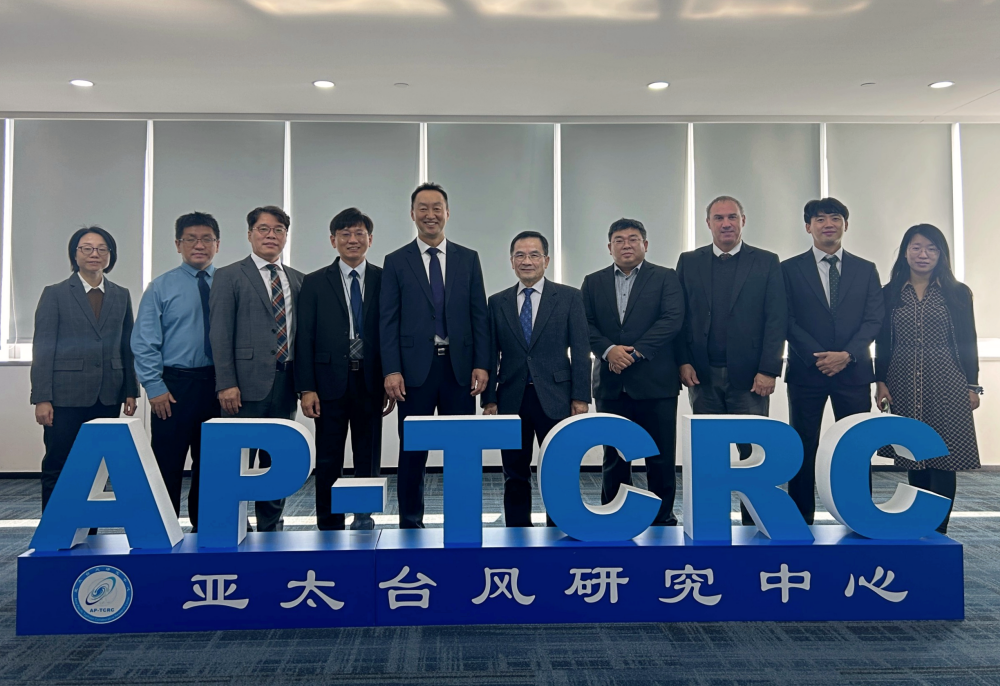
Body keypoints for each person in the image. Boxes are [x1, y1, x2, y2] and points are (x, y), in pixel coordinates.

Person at [380, 182, 490, 529]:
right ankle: (410, 522)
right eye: (423, 208)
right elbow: (388, 320)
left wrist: (482, 364)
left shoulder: (468, 258)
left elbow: (479, 316)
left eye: (437, 207)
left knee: (463, 450)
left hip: (458, 370)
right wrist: (391, 369)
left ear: (447, 212)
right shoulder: (396, 261)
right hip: (413, 373)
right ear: (412, 214)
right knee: (412, 452)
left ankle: (463, 520)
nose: (431, 214)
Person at [675, 196, 787, 525]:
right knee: (709, 454)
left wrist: (769, 369)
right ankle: (711, 520)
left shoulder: (766, 261)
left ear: (743, 221)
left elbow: (776, 319)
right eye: (719, 217)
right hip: (702, 375)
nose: (726, 223)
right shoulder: (689, 261)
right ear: (708, 223)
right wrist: (683, 361)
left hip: (750, 376)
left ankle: (755, 521)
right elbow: (679, 317)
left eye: (732, 217)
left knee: (752, 453)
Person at [783, 198, 884, 524]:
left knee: (855, 446)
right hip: (806, 372)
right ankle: (800, 516)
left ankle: (858, 514)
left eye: (836, 218)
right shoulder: (788, 269)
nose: (829, 223)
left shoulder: (866, 269)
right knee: (803, 445)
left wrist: (846, 355)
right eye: (820, 218)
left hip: (853, 371)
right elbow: (786, 319)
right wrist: (819, 357)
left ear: (846, 224)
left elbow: (873, 319)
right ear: (808, 226)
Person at [875, 224, 981, 534]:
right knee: (914, 456)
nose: (924, 254)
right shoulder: (890, 292)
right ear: (905, 251)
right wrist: (880, 380)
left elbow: (968, 340)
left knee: (943, 457)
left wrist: (972, 385)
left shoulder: (957, 293)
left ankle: (939, 530)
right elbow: (881, 342)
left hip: (948, 378)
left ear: (941, 254)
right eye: (917, 247)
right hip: (903, 380)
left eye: (931, 248)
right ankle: (917, 524)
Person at [482, 231, 591, 527]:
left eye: (533, 255)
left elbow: (582, 351)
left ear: (546, 260)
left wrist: (581, 396)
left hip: (557, 396)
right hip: (511, 396)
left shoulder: (569, 297)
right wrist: (489, 398)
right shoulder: (498, 302)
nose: (526, 261)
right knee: (514, 472)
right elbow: (490, 354)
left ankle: (560, 530)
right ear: (511, 261)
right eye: (520, 255)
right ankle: (517, 532)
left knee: (559, 469)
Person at [295, 208, 394, 531]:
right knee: (328, 458)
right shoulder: (313, 282)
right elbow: (304, 336)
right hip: (327, 383)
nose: (353, 240)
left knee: (367, 456)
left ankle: (363, 517)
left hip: (370, 379)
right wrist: (306, 387)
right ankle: (329, 521)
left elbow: (394, 332)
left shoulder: (385, 279)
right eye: (345, 234)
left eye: (359, 234)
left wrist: (390, 376)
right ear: (333, 240)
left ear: (370, 239)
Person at [580, 218, 684, 526]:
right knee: (614, 457)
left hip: (656, 382)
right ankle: (613, 516)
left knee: (661, 456)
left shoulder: (666, 278)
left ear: (645, 245)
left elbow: (671, 320)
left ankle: (662, 516)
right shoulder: (593, 281)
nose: (626, 245)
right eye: (619, 240)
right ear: (609, 247)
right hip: (611, 383)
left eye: (633, 239)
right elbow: (584, 324)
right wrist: (609, 350)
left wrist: (634, 353)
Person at [209, 205, 304, 532]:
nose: (271, 235)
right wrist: (226, 383)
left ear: (285, 236)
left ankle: (271, 523)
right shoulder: (229, 276)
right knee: (235, 459)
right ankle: (231, 523)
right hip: (243, 385)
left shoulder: (297, 279)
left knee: (274, 459)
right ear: (250, 234)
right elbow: (220, 334)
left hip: (285, 382)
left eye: (278, 230)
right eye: (263, 229)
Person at [30, 227, 138, 511]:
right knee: (59, 462)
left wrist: (131, 390)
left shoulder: (121, 294)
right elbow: (42, 348)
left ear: (110, 255)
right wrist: (42, 397)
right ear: (75, 254)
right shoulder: (55, 294)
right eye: (87, 248)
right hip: (64, 396)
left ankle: (88, 533)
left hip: (108, 395)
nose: (94, 254)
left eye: (102, 249)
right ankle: (53, 534)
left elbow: (127, 346)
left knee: (97, 467)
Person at [131, 212, 221, 532]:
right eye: (191, 239)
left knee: (212, 463)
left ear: (218, 244)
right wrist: (154, 386)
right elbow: (143, 341)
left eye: (207, 239)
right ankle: (163, 528)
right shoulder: (161, 286)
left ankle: (207, 525)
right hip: (174, 386)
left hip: (218, 385)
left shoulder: (228, 284)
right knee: (167, 461)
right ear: (178, 244)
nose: (199, 245)